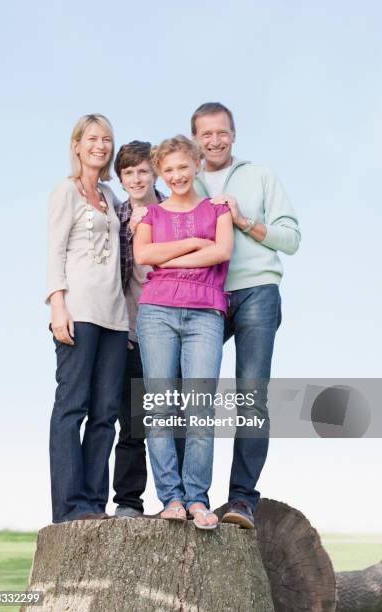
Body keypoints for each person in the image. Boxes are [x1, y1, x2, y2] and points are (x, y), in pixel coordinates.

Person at [191, 102, 301, 528]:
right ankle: (187, 496)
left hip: (257, 290)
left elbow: (291, 239)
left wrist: (242, 219)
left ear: (233, 135)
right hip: (206, 295)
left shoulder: (260, 175)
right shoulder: (187, 179)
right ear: (196, 139)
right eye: (206, 134)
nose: (215, 141)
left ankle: (241, 500)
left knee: (250, 396)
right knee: (190, 392)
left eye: (222, 132)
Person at [134, 135, 234, 529]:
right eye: (168, 169)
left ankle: (196, 499)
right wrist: (194, 242)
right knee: (159, 406)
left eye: (182, 167)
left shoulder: (218, 209)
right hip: (157, 311)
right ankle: (171, 498)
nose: (176, 175)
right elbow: (144, 255)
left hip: (205, 313)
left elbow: (222, 251)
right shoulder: (150, 215)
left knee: (200, 408)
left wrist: (170, 254)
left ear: (196, 165)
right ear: (161, 172)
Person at [46, 113, 129, 523]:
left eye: (108, 139)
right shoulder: (66, 192)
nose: (101, 145)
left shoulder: (112, 197)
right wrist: (57, 305)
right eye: (93, 138)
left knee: (105, 412)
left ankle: (94, 504)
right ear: (77, 144)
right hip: (78, 311)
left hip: (115, 318)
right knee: (72, 408)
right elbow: (54, 251)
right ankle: (69, 508)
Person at [112, 141, 166, 519]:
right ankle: (129, 502)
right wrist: (128, 233)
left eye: (142, 171)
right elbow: (108, 274)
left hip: (169, 331)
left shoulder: (175, 210)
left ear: (155, 173)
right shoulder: (114, 216)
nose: (135, 178)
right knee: (132, 426)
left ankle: (178, 500)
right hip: (130, 332)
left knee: (172, 419)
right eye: (128, 173)